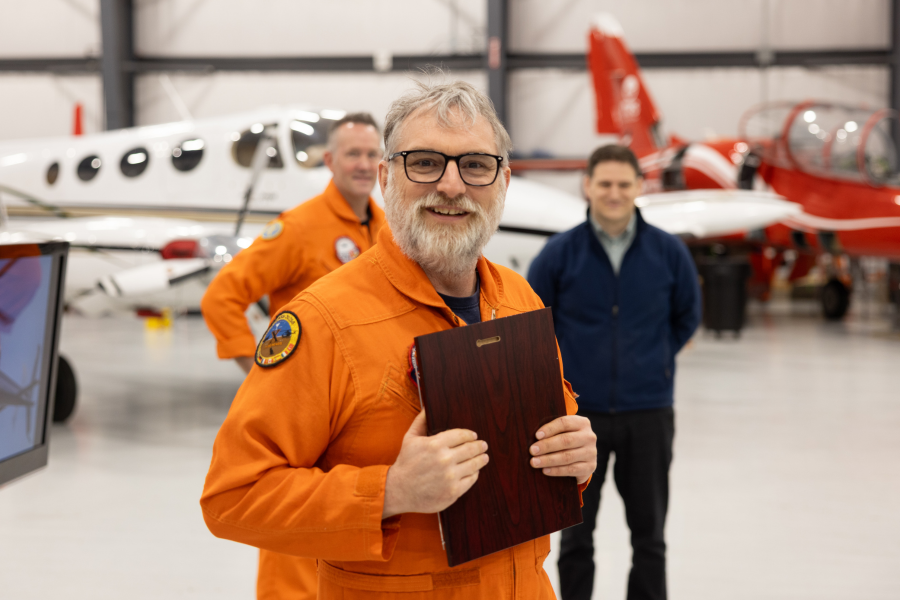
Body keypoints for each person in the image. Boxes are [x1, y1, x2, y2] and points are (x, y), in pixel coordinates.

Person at [200, 80, 597, 599]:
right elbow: (233, 496)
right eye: (425, 162)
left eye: (476, 165)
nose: (451, 185)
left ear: (502, 181)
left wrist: (575, 458)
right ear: (386, 178)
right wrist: (390, 492)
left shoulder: (519, 298)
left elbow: (550, 435)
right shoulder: (324, 321)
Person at [200, 113, 385, 600]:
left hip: (362, 416)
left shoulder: (387, 230)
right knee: (296, 545)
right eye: (352, 153)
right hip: (305, 415)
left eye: (372, 154)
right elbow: (221, 297)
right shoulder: (299, 229)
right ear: (329, 161)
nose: (363, 164)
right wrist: (256, 371)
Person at [527, 145, 701, 600]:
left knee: (650, 536)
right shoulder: (559, 253)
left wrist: (656, 358)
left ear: (639, 187)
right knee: (575, 536)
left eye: (624, 184)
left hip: (649, 413)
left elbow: (687, 315)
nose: (614, 193)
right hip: (578, 417)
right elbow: (533, 323)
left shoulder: (669, 252)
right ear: (587, 185)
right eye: (604, 183)